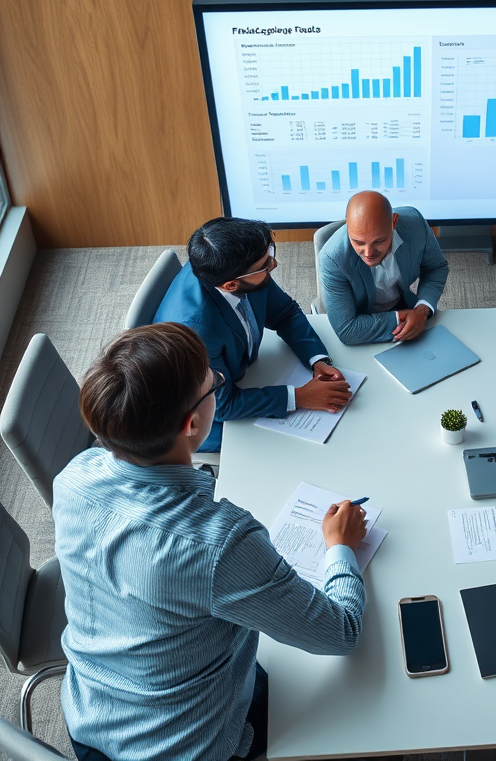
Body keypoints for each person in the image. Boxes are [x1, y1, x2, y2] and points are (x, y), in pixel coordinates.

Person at [53, 323, 368, 761]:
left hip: (90, 717)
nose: (219, 382)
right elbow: (341, 633)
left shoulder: (74, 477)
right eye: (213, 382)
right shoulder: (221, 545)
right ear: (193, 422)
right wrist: (340, 547)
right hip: (189, 746)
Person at [154, 217, 349, 452]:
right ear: (230, 285)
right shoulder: (197, 329)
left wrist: (317, 360)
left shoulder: (236, 268)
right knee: (291, 450)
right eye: (265, 264)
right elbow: (223, 406)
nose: (273, 264)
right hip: (198, 413)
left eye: (269, 252)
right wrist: (299, 397)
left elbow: (285, 313)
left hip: (241, 373)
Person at [319, 191, 449, 345]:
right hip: (360, 315)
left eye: (379, 241)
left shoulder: (415, 225)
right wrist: (402, 319)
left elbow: (436, 267)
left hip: (403, 302)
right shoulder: (332, 258)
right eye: (358, 242)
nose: (368, 254)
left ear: (394, 222)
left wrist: (422, 310)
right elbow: (347, 329)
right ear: (348, 225)